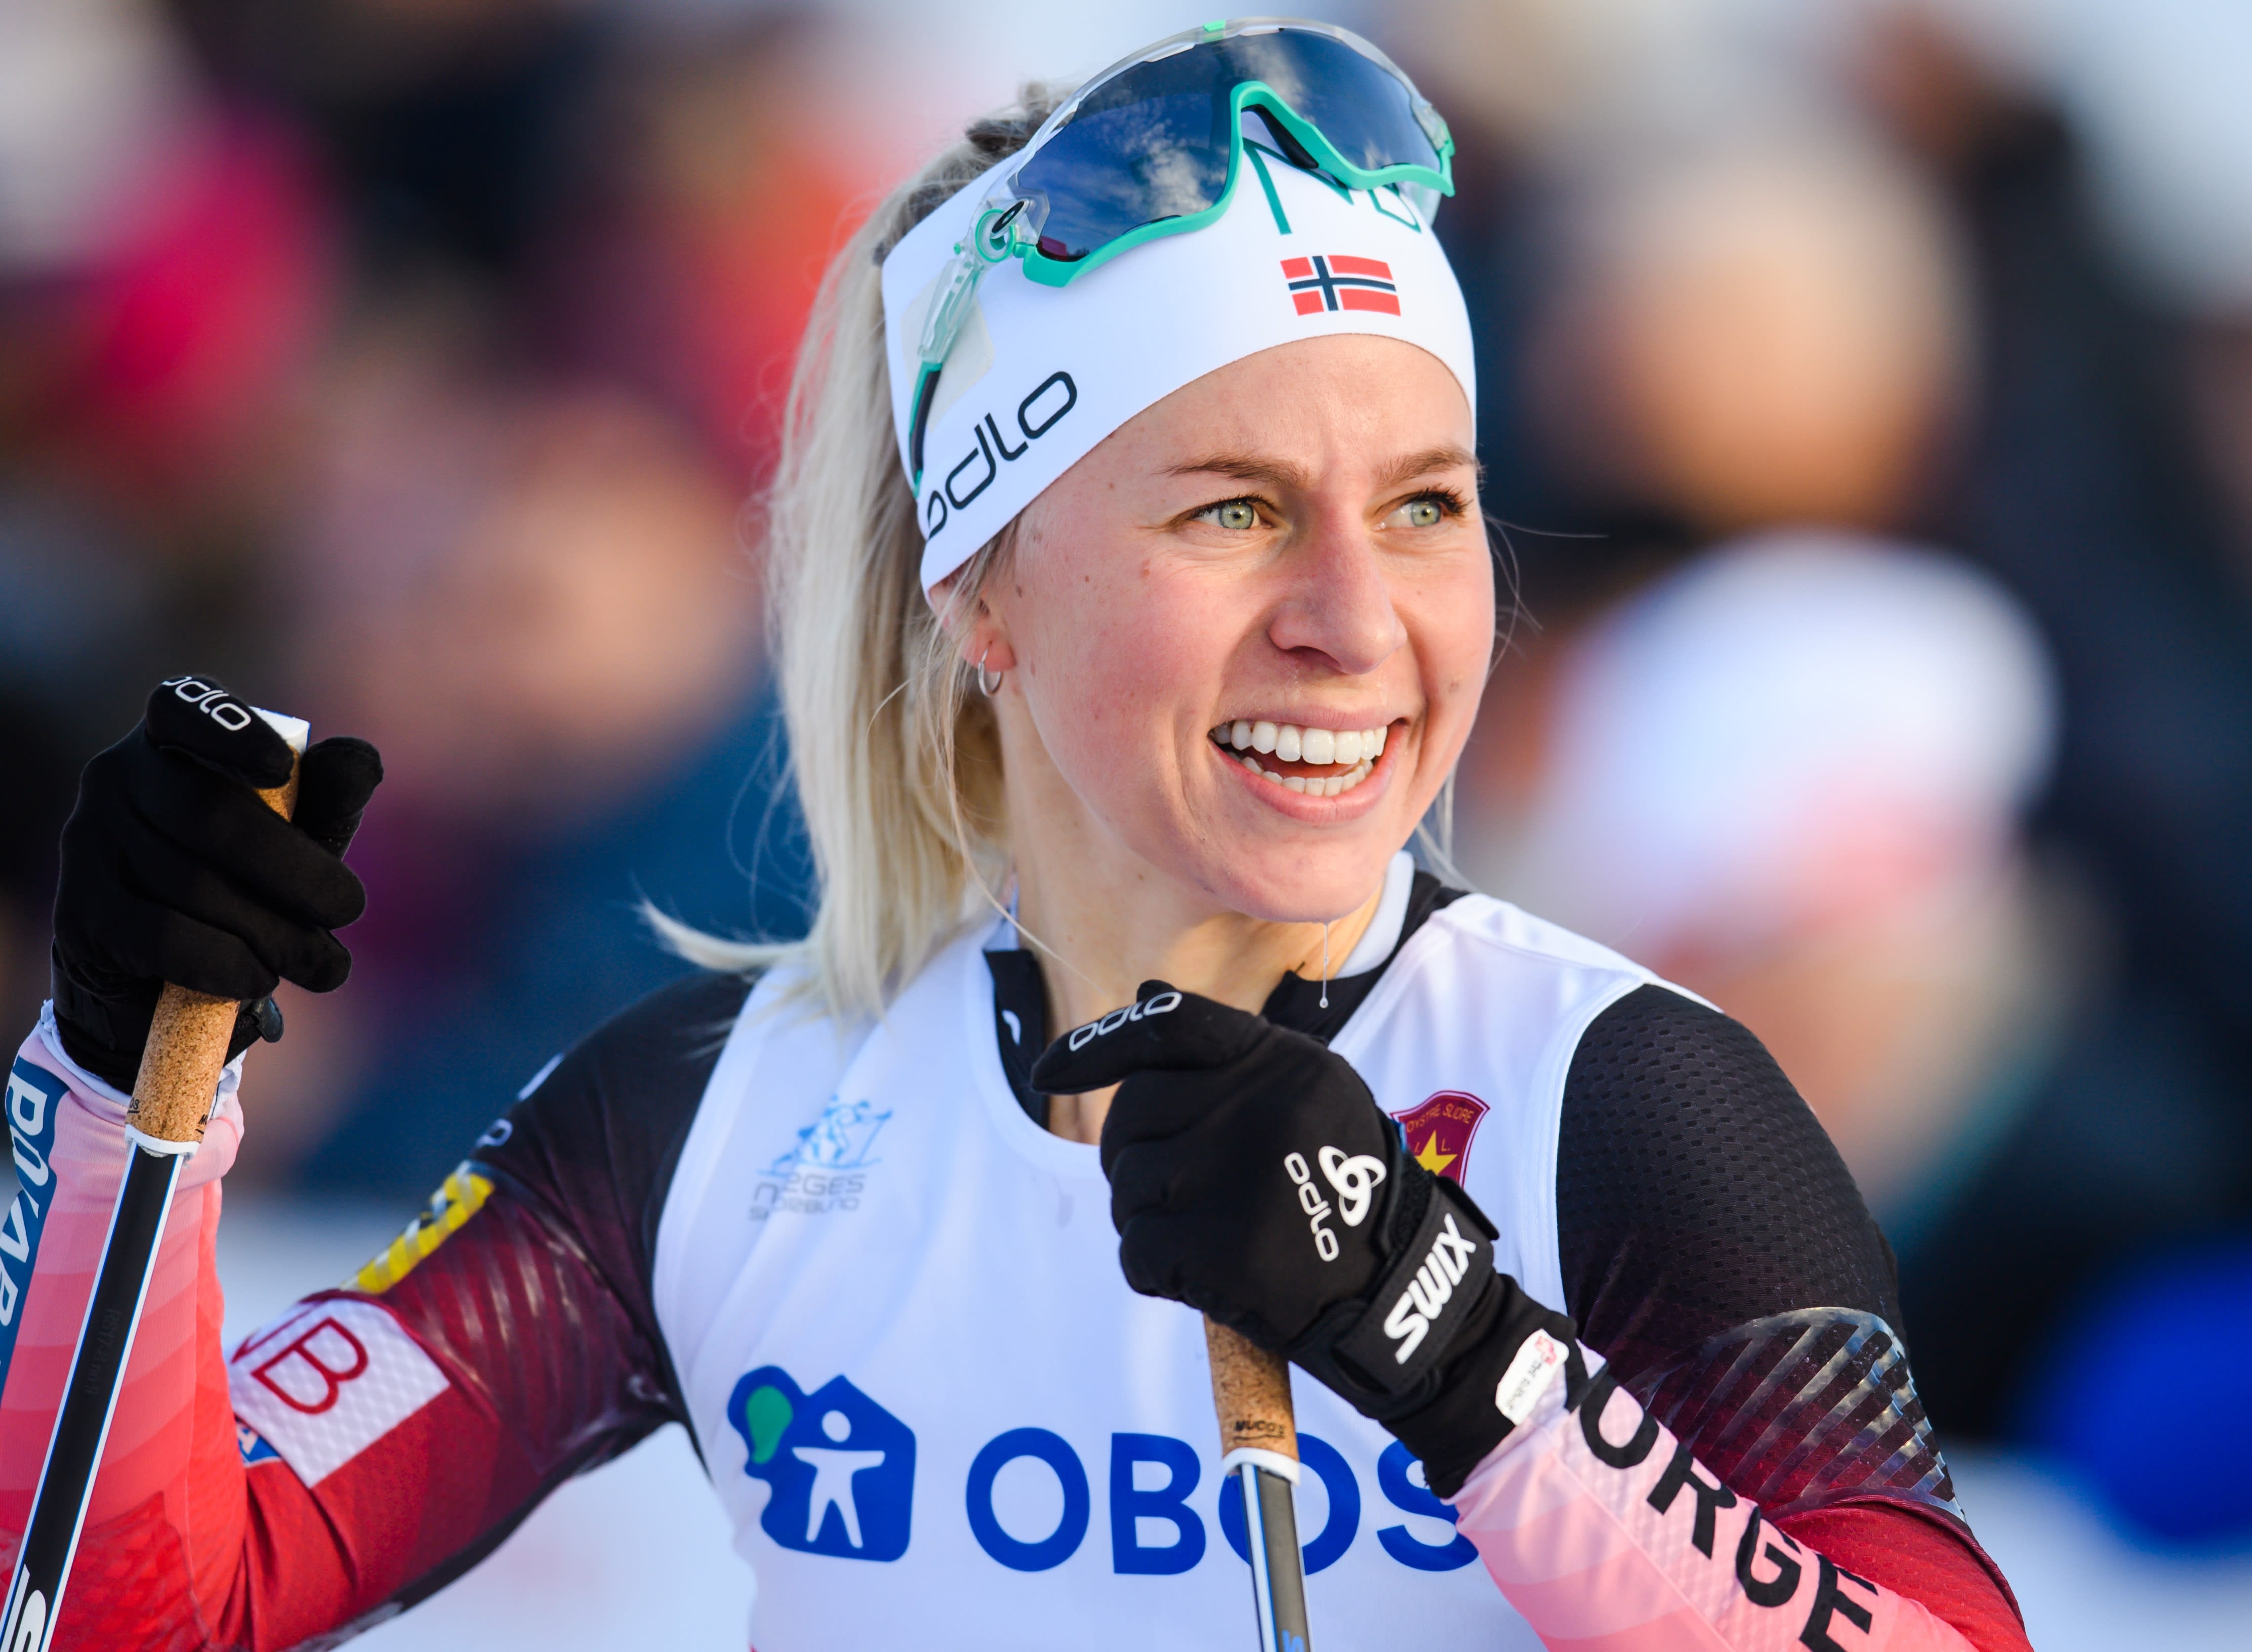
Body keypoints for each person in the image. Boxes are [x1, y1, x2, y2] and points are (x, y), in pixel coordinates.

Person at [1, 21, 2028, 1650]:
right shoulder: (718, 1122)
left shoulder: (1620, 1100)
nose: (1358, 620)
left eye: (1424, 505)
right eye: (1233, 509)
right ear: (984, 593)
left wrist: (1463, 1360)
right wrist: (116, 1075)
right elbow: (130, 1604)